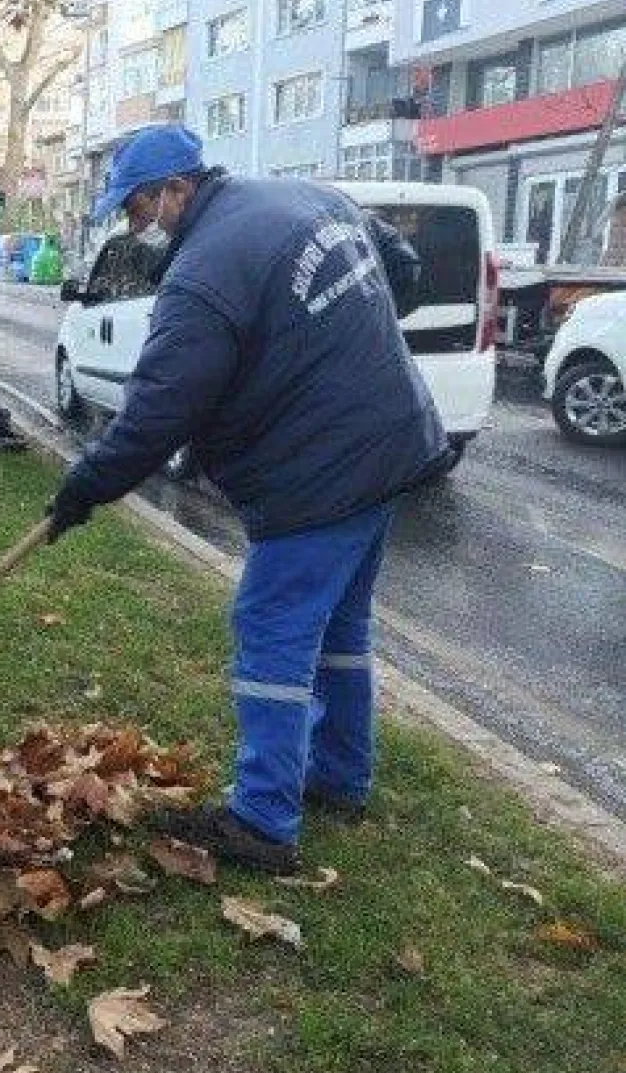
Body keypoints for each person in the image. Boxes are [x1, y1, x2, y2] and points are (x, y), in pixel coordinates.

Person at [45, 124, 451, 873]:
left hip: (324, 472)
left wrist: (83, 488)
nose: (141, 225)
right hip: (394, 440)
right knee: (340, 629)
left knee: (272, 628)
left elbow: (157, 410)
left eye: (141, 208)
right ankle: (340, 777)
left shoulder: (202, 275)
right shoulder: (308, 196)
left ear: (177, 188)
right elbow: (403, 265)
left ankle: (264, 822)